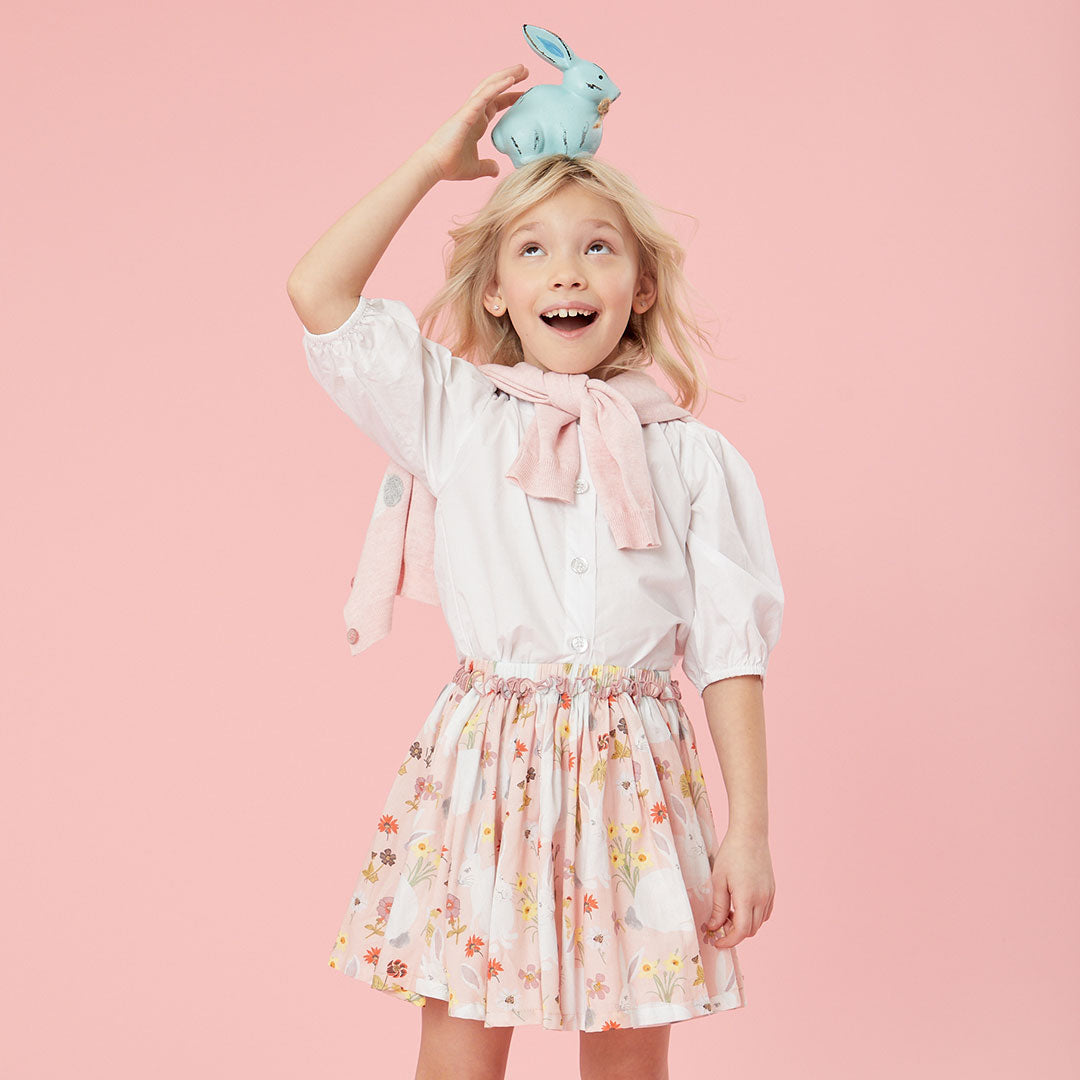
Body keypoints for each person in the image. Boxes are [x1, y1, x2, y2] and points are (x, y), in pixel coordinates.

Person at [287, 63, 784, 1080]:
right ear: (497, 291)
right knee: (460, 1050)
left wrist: (750, 832)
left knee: (628, 1058)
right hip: (488, 770)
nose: (567, 273)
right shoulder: (456, 416)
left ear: (641, 286)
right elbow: (318, 292)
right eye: (532, 249)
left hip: (637, 776)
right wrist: (433, 164)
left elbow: (731, 652)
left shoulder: (693, 458)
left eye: (598, 247)